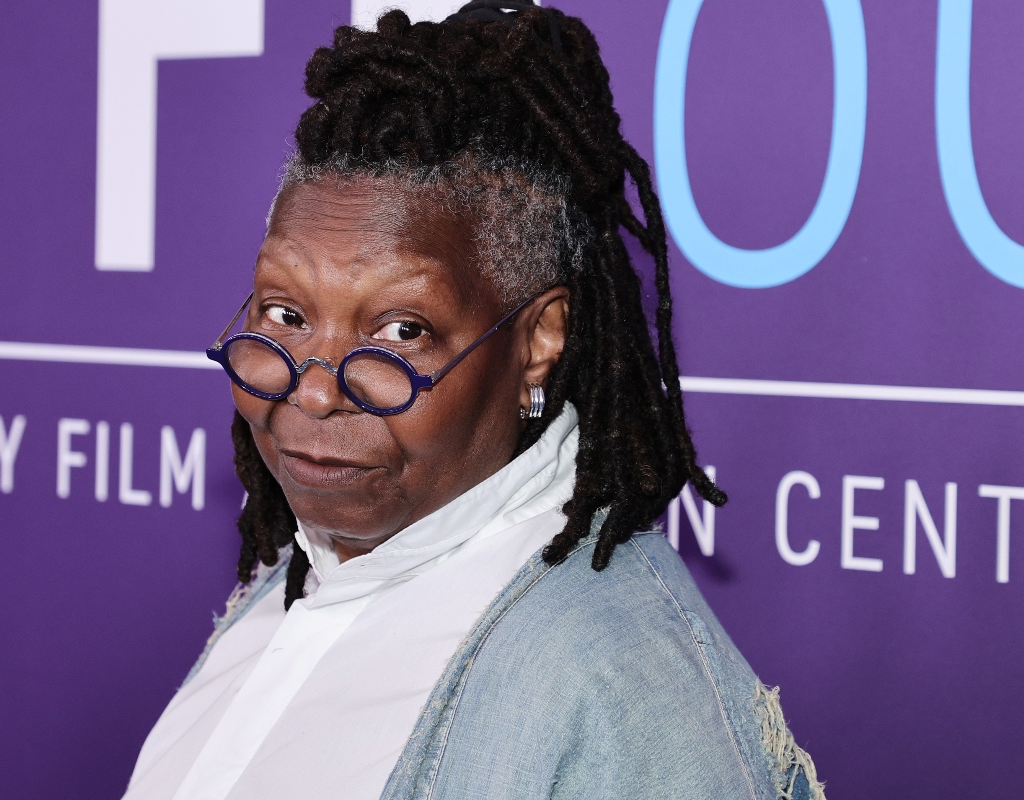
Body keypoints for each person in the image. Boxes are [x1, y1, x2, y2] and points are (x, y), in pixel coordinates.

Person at [122, 3, 825, 799]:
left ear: (539, 339)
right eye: (285, 315)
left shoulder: (623, 689)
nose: (312, 390)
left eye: (401, 331)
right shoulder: (295, 581)